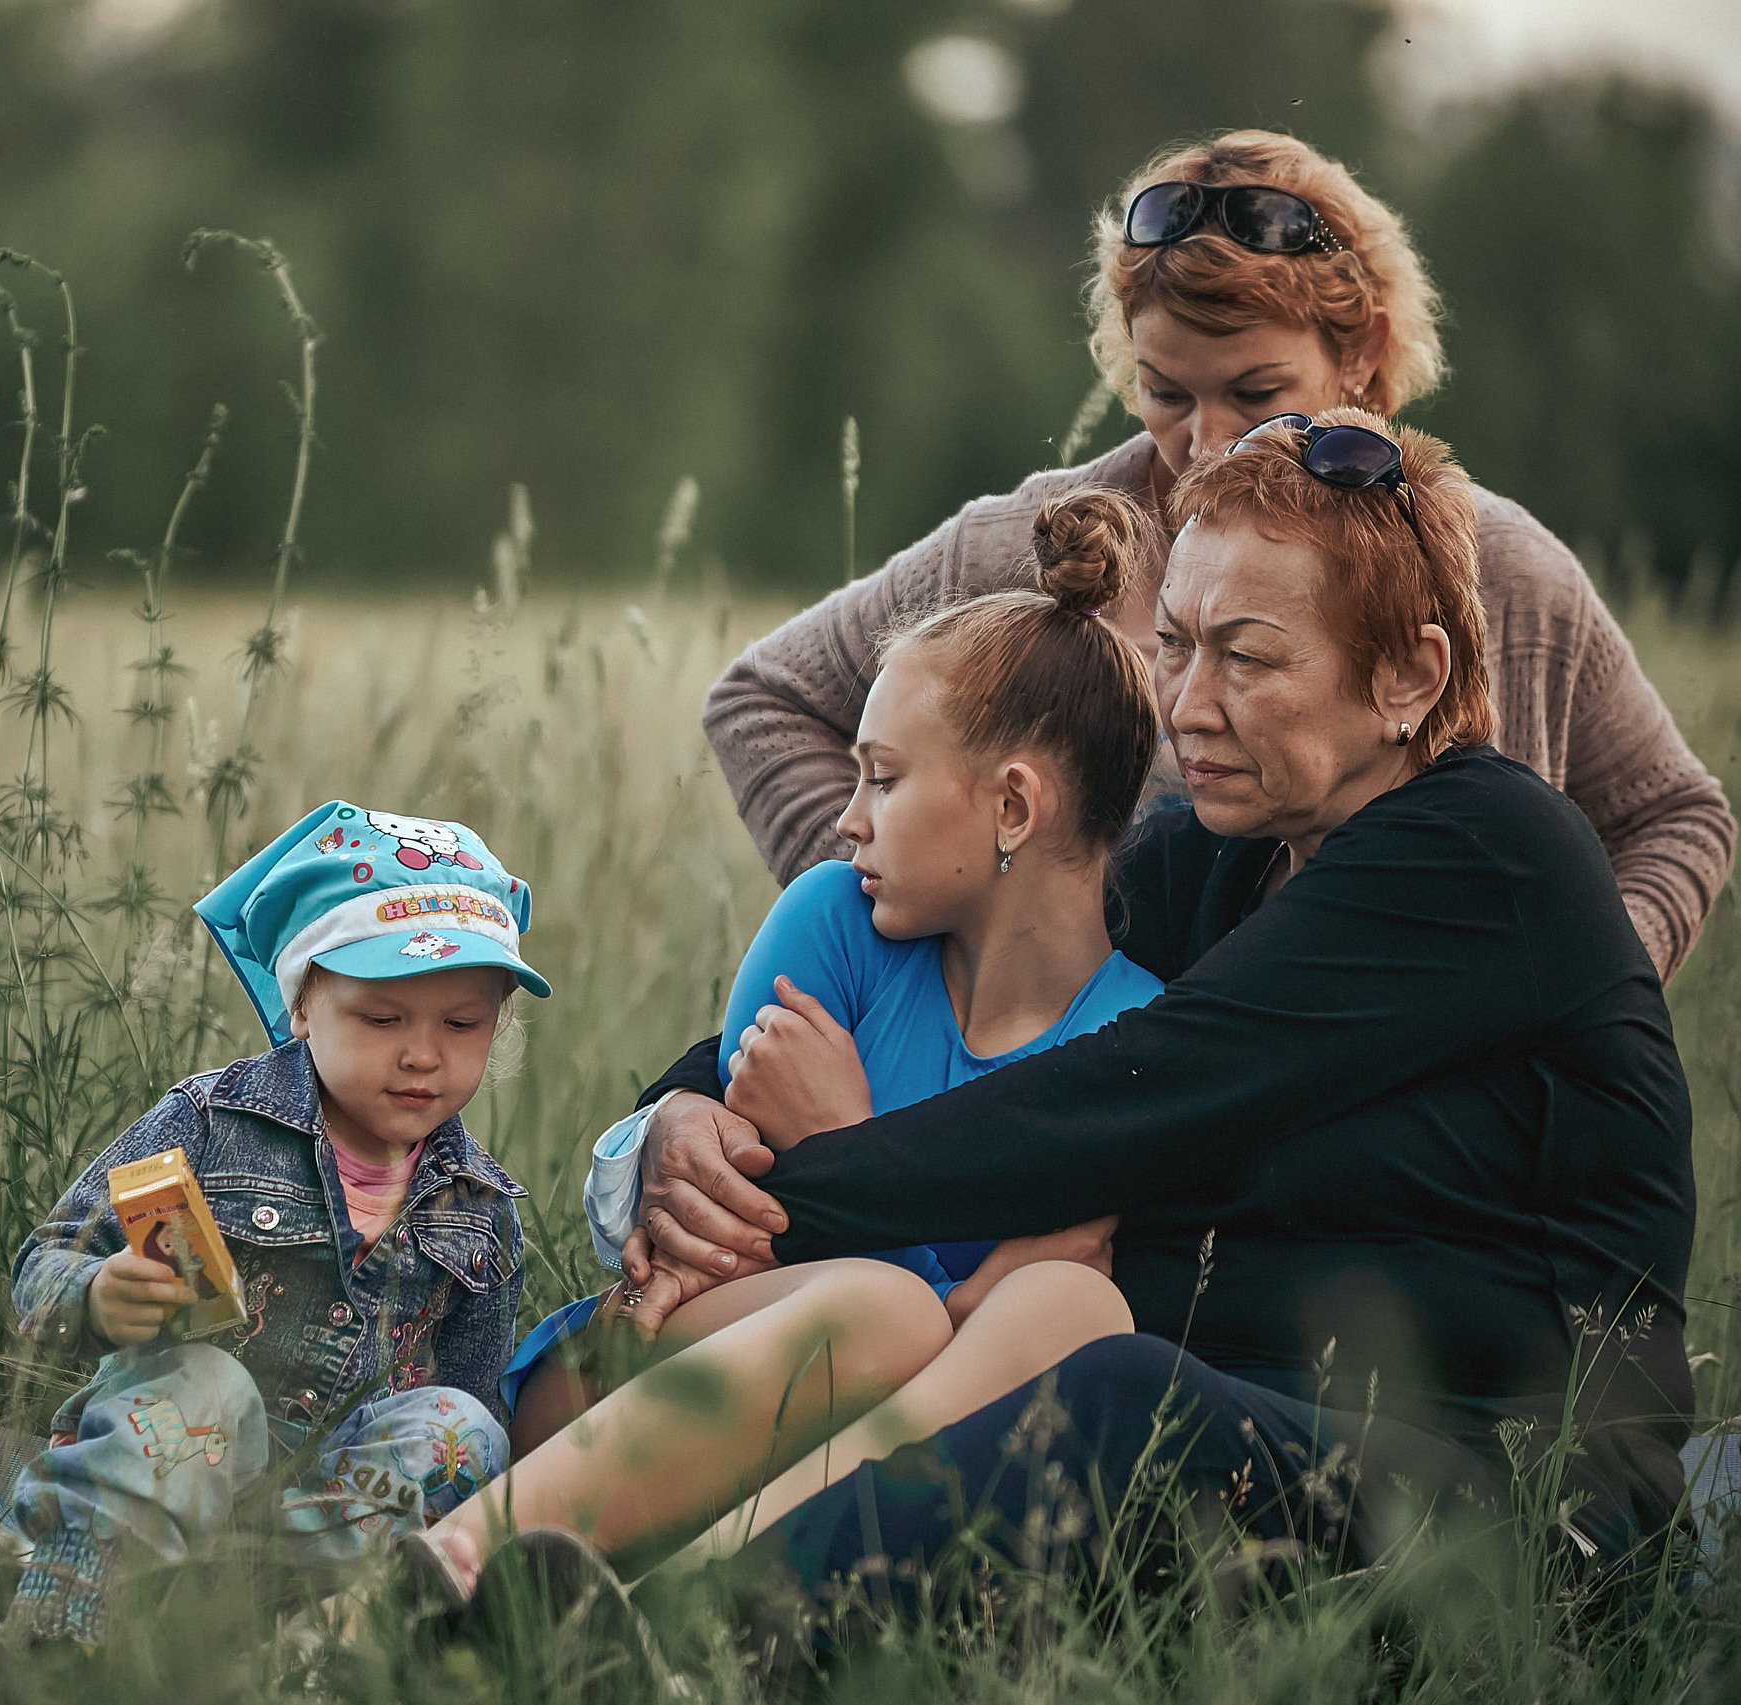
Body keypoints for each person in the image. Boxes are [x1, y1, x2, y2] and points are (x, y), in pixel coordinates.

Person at [583, 412, 1693, 1621]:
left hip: (1514, 1511)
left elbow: (1124, 1097)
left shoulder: (1492, 853)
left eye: (1249, 658)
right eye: (1173, 645)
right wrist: (681, 1124)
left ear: (1408, 678)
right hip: (1253, 1439)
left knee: (1111, 1394)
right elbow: (944, 942)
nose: (1188, 704)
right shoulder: (1210, 861)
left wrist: (793, 1184)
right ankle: (561, 1573)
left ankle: (666, 1636)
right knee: (1025, 1359)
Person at [705, 129, 1729, 986]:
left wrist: (1574, 991)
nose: (1202, 442)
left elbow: (1675, 818)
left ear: (1362, 353)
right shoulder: (1023, 547)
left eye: (1253, 393)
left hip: (1416, 1181)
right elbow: (763, 699)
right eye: (1164, 393)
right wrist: (925, 956)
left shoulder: (1506, 572)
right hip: (1081, 1139)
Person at [421, 489, 1168, 1585]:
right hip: (631, 1397)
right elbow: (722, 1246)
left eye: (884, 776)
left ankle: (680, 1620)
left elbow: (987, 1360)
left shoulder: (1137, 1036)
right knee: (888, 1305)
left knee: (1076, 1307)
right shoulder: (834, 922)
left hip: (853, 1471)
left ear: (1013, 808)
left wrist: (853, 1138)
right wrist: (924, 1253)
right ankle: (444, 1567)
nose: (846, 817)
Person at [0, 801, 547, 1644]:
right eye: (383, 1017)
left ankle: (268, 1622)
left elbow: (467, 1406)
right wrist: (101, 1294)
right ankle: (73, 1606)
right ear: (302, 1006)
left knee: (465, 1431)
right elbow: (42, 1268)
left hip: (324, 1512)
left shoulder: (482, 1211)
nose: (423, 1054)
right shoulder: (210, 1123)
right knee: (209, 1385)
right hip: (171, 1456)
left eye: (462, 1022)